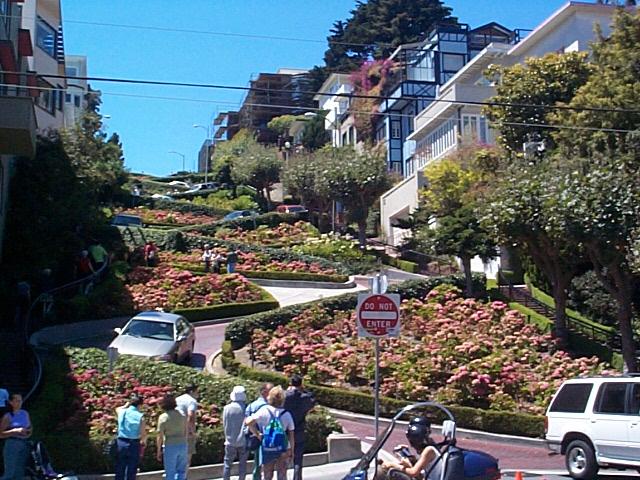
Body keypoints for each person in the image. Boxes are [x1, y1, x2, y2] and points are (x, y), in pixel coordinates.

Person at [245, 386, 295, 480]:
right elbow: (291, 435)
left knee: (267, 475)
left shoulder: (264, 410)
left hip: (268, 446)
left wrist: (257, 434)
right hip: (283, 447)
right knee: (282, 474)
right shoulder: (287, 414)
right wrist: (292, 451)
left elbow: (248, 422)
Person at [283, 374, 316, 480]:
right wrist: (303, 390)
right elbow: (313, 399)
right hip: (299, 430)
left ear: (290, 383)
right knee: (298, 460)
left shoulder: (285, 396)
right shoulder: (305, 398)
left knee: (283, 458)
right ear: (301, 384)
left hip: (286, 430)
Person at [115, 393, 148, 480]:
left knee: (120, 466)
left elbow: (117, 408)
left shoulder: (122, 412)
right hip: (134, 443)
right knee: (132, 468)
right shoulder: (140, 416)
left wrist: (126, 405)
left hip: (121, 442)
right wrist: (144, 442)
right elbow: (143, 433)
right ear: (140, 405)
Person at [245, 382, 273, 480]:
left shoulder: (251, 405)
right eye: (271, 390)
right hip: (264, 438)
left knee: (257, 463)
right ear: (265, 392)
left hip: (254, 437)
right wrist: (258, 433)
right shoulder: (266, 407)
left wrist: (253, 433)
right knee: (265, 465)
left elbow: (246, 421)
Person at [0, 393, 32, 480]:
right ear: (11, 402)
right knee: (10, 472)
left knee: (20, 471)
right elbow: (1, 434)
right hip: (12, 443)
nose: (19, 403)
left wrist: (27, 432)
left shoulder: (25, 413)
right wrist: (15, 431)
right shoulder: (8, 416)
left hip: (24, 443)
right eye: (17, 401)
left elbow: (29, 427)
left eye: (20, 400)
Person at [156, 394, 188, 480]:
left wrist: (158, 450)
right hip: (183, 444)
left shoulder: (163, 417)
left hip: (170, 445)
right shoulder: (182, 415)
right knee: (181, 471)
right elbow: (186, 430)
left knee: (170, 472)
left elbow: (160, 435)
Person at [222, 386, 249, 480]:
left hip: (229, 440)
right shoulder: (246, 408)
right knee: (242, 464)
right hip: (243, 440)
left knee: (227, 464)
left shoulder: (226, 408)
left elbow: (224, 423)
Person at [175, 384, 199, 468]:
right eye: (197, 392)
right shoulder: (192, 401)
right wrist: (192, 431)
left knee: (176, 459)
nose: (198, 394)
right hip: (186, 432)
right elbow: (190, 416)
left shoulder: (177, 399)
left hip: (175, 430)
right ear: (192, 391)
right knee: (186, 459)